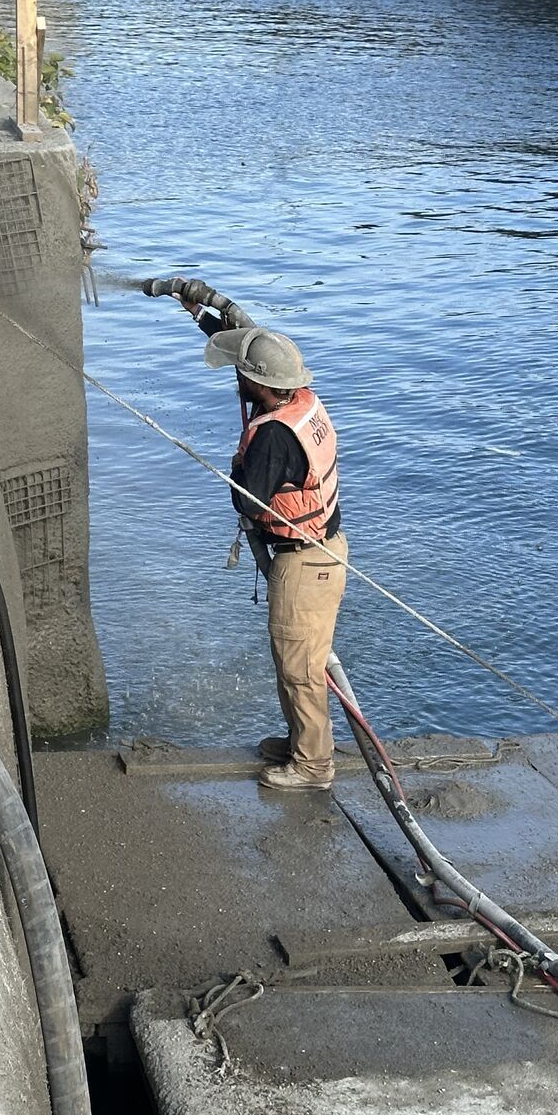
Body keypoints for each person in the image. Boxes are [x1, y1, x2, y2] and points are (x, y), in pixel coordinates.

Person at [179, 296, 348, 793]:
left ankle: (314, 766)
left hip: (304, 564)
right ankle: (304, 741)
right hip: (324, 552)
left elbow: (249, 503)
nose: (239, 381)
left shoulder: (274, 437)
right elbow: (254, 345)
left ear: (259, 383)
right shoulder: (302, 402)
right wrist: (203, 315)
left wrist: (234, 470)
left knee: (300, 667)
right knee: (300, 659)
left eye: (243, 376)